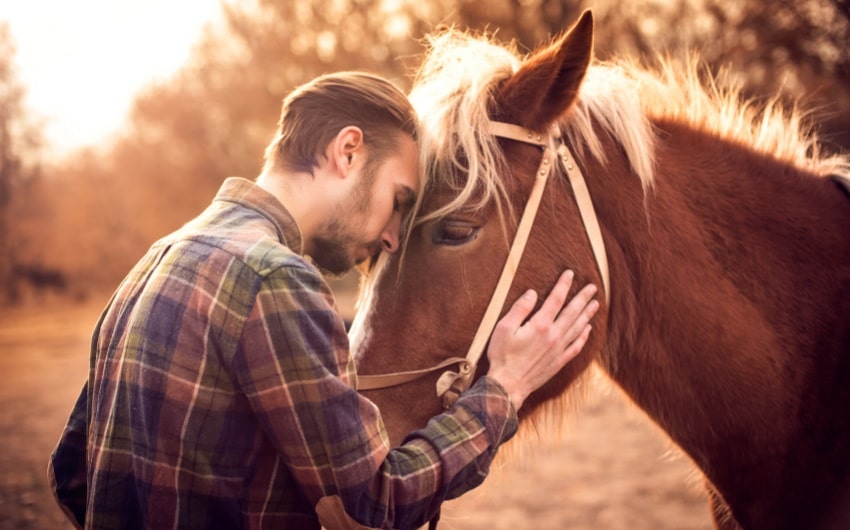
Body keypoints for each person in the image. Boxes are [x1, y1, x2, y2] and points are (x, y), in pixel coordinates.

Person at [48, 71, 600, 530]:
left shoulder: (152, 263)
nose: (391, 237)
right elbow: (377, 504)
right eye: (399, 199)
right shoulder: (274, 280)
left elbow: (73, 473)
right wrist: (505, 387)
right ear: (348, 151)